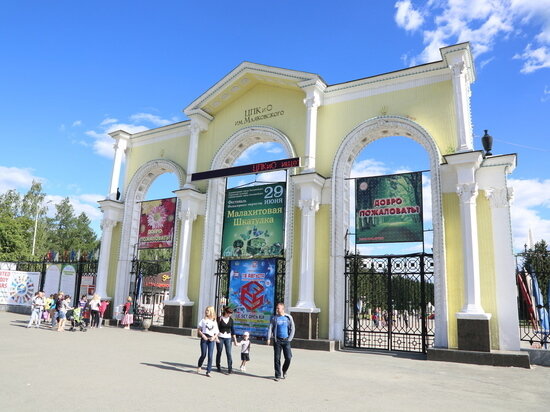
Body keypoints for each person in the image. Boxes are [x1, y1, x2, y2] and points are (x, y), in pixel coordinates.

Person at [267, 302, 295, 381]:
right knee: (277, 358)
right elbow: (270, 328)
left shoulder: (288, 317)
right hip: (277, 341)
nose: (277, 309)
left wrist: (289, 339)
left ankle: (284, 370)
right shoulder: (274, 318)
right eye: (276, 308)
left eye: (278, 308)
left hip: (286, 340)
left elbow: (293, 328)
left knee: (288, 357)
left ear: (283, 309)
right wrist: (269, 338)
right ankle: (277, 375)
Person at [197, 306, 219, 377]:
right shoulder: (203, 320)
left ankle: (208, 371)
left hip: (211, 339)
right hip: (204, 338)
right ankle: (199, 365)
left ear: (211, 312)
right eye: (206, 310)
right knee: (203, 354)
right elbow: (199, 330)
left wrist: (214, 337)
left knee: (210, 355)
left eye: (208, 310)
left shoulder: (214, 321)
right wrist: (203, 335)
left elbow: (216, 332)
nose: (206, 312)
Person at [216, 306, 237, 374]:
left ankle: (230, 368)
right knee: (219, 351)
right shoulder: (219, 319)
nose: (230, 314)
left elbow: (233, 330)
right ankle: (218, 365)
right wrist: (216, 337)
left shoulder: (231, 320)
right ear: (225, 312)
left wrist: (235, 340)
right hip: (220, 337)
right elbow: (216, 329)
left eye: (231, 313)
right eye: (229, 313)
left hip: (228, 337)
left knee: (229, 353)